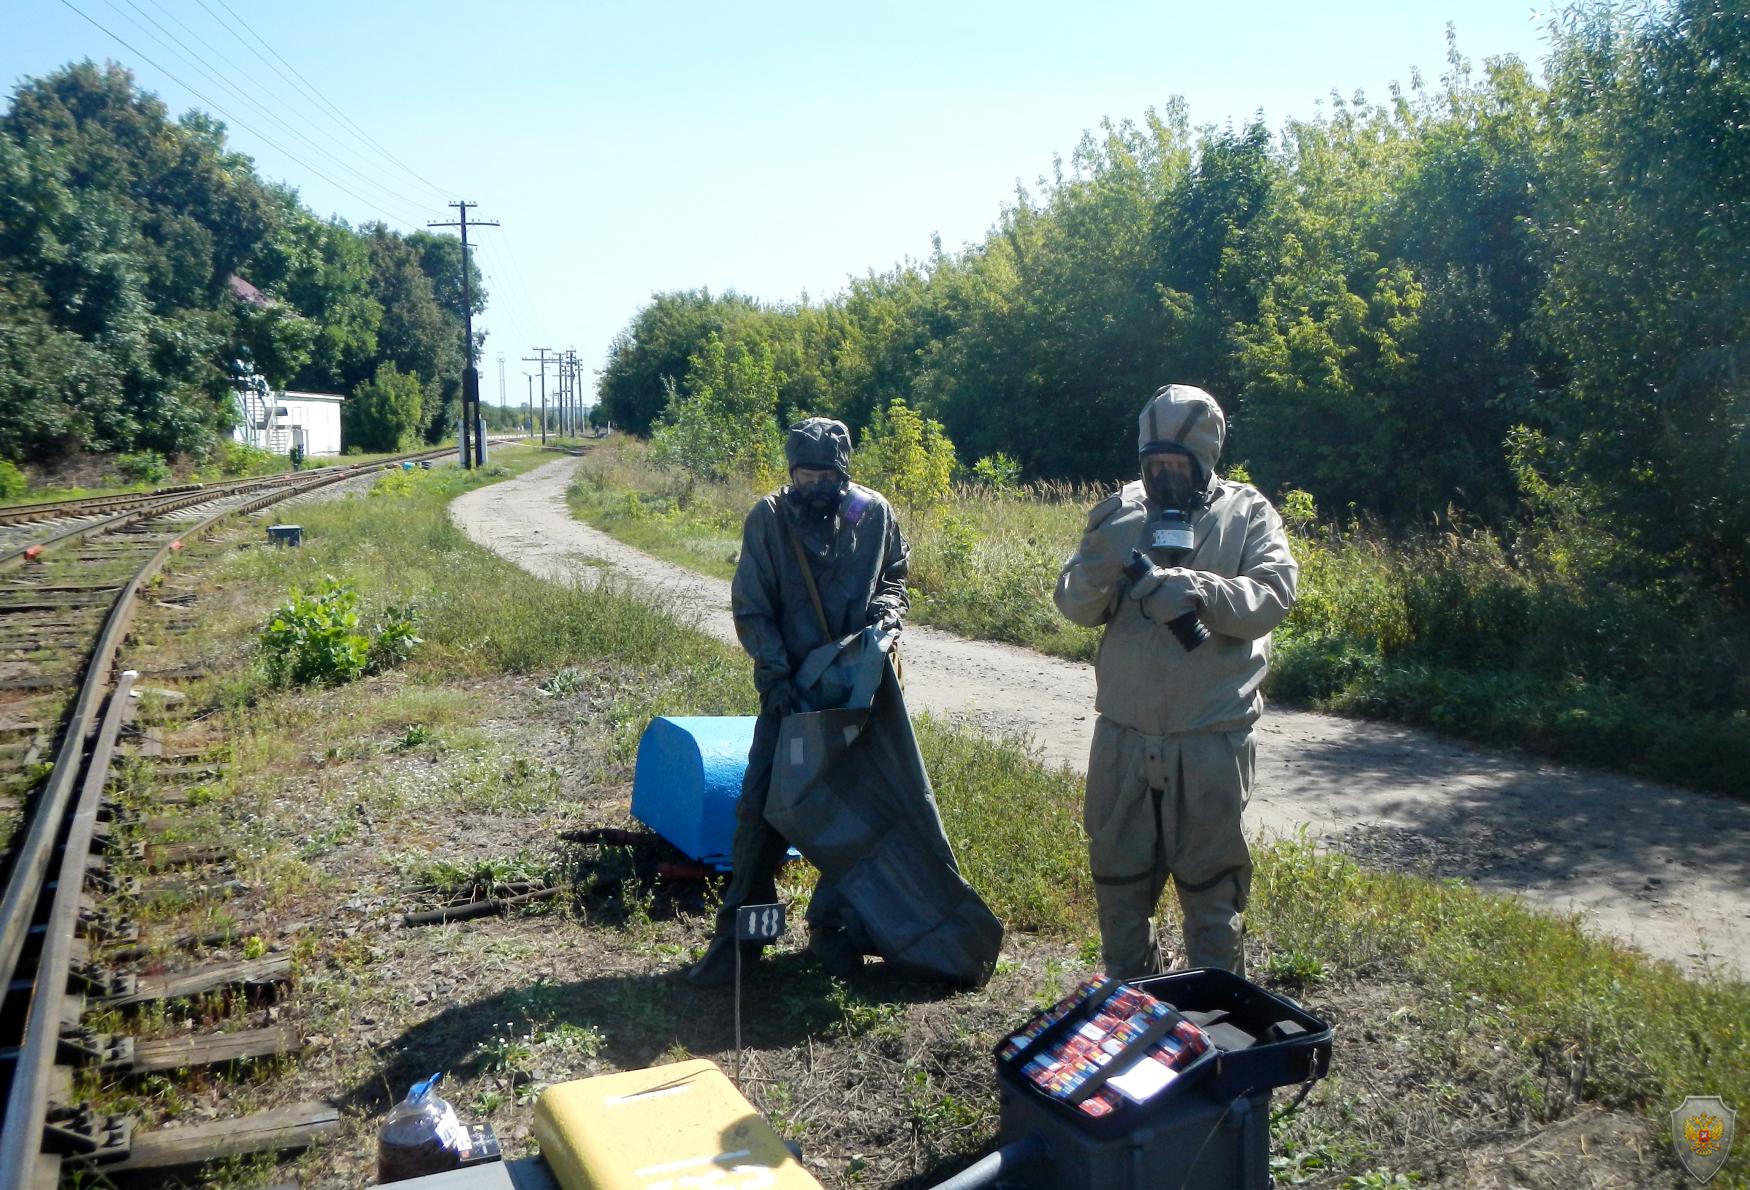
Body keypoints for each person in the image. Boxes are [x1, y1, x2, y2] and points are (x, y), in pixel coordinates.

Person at [1054, 384, 1298, 978]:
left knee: (1212, 890)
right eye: (1153, 464)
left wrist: (1201, 590)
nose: (1163, 476)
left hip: (1208, 739)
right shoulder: (1123, 512)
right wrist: (1097, 557)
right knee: (1118, 881)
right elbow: (1075, 605)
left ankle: (1215, 1012)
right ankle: (1128, 1003)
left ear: (1205, 459)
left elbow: (1274, 595)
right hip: (1125, 738)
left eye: (1176, 465)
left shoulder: (1246, 513)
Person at [687, 417, 911, 987]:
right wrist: (775, 676)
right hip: (790, 692)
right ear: (791, 471)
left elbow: (895, 574)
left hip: (859, 694)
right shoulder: (769, 518)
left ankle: (835, 934)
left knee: (859, 814)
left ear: (845, 472)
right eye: (805, 473)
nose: (815, 484)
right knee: (763, 812)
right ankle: (740, 946)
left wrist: (887, 615)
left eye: (826, 474)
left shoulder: (874, 512)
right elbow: (752, 607)